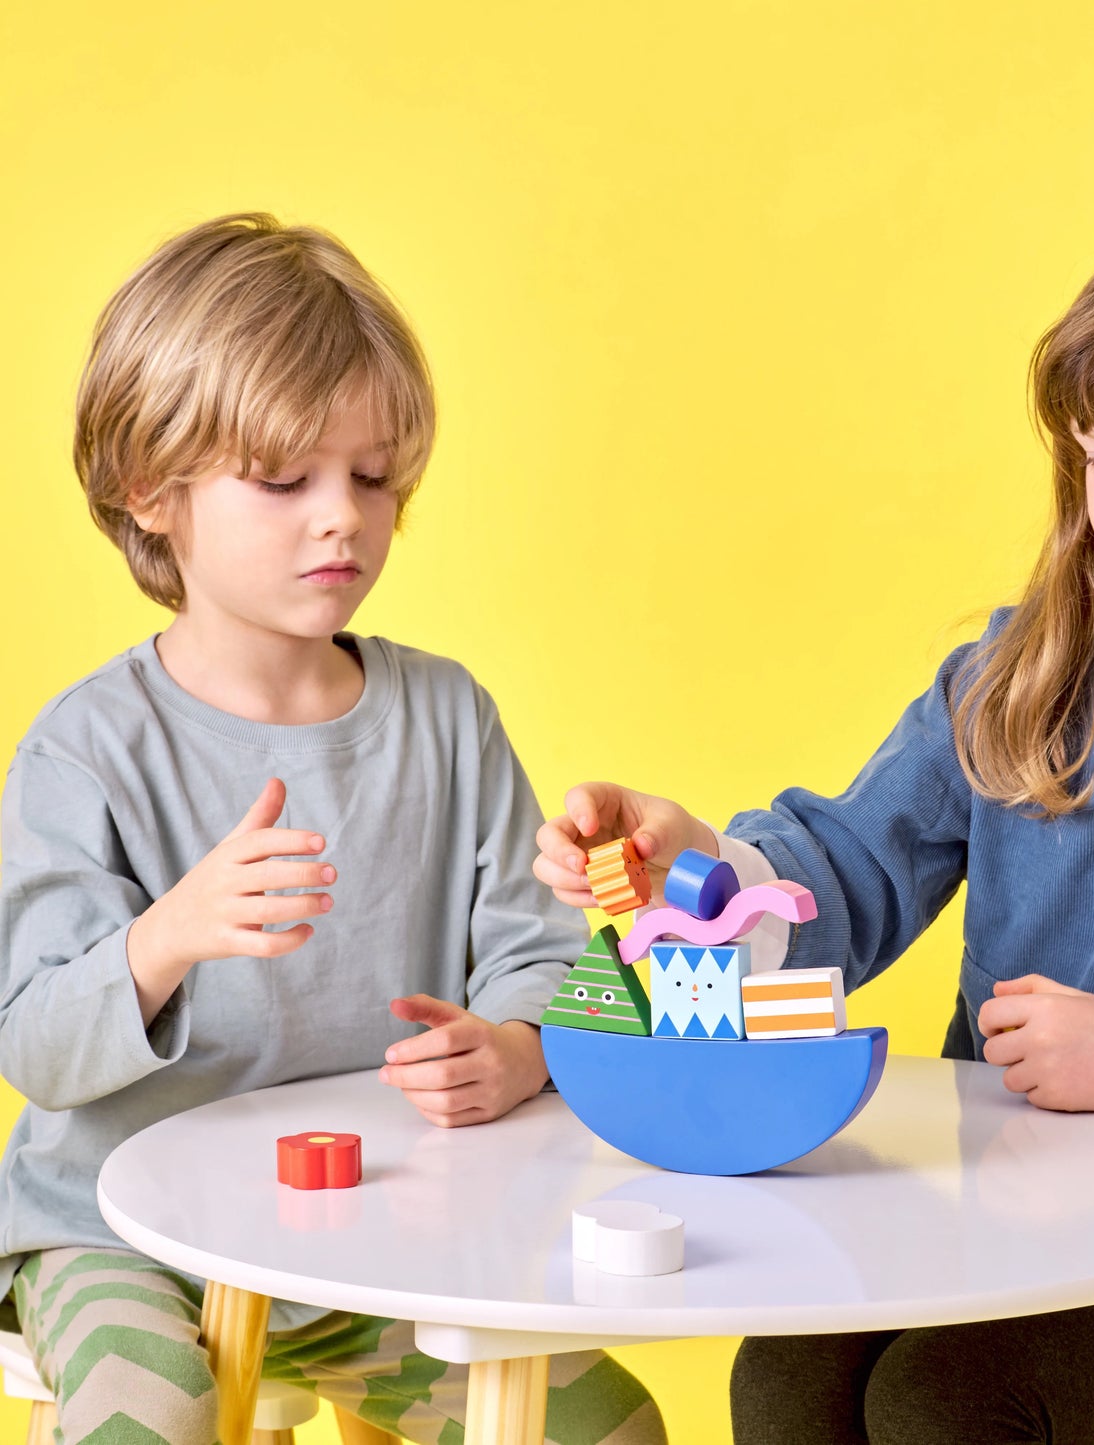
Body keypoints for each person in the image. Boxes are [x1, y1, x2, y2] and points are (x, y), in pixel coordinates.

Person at [533, 204, 1094, 1444]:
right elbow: (843, 873)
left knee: (956, 1403)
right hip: (1009, 1223)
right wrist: (694, 866)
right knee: (786, 1376)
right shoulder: (1020, 671)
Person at [0, 213, 665, 1445]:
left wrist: (515, 1046)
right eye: (283, 478)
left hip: (373, 1243)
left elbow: (537, 953)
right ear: (152, 489)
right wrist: (163, 940)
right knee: (151, 1409)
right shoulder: (86, 749)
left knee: (600, 1423)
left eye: (371, 477)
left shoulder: (446, 714)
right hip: (117, 1236)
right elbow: (35, 1045)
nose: (341, 518)